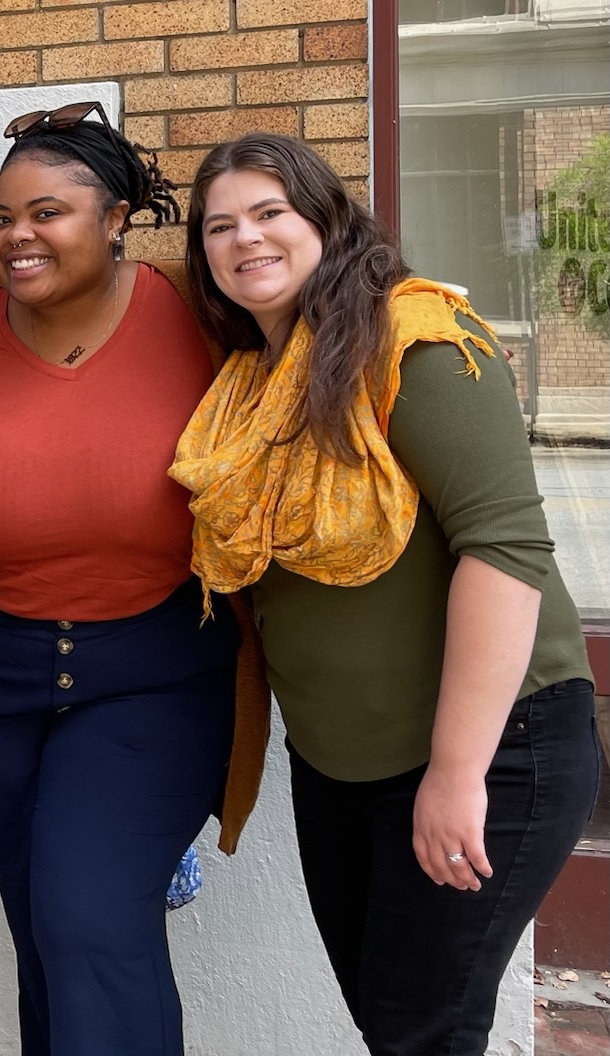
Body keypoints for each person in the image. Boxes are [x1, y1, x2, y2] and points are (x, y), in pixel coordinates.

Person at [172, 132, 600, 1055]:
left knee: (421, 1030)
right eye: (219, 226)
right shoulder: (246, 385)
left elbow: (505, 547)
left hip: (491, 750)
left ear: (325, 219)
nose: (244, 238)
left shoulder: (413, 337)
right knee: (392, 1023)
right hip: (338, 768)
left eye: (268, 213)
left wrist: (455, 775)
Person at [0, 103, 270, 1056]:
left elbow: (332, 322)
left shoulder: (202, 312)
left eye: (46, 212)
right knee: (46, 936)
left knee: (88, 922)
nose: (15, 236)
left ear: (114, 219)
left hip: (154, 674)